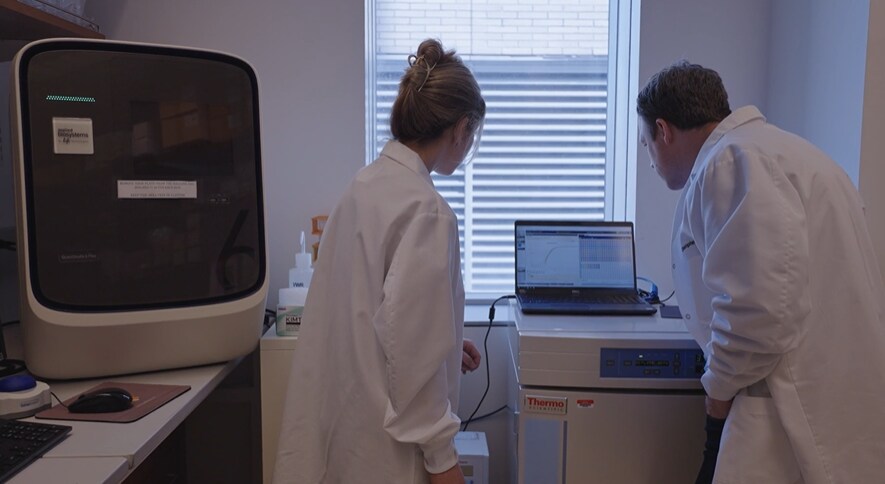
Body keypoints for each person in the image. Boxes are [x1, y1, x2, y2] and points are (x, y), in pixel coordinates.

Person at [637, 60, 885, 484]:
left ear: (663, 130)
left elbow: (761, 311)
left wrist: (717, 387)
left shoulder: (731, 160)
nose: (652, 160)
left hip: (781, 407)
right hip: (835, 401)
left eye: (646, 144)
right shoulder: (796, 154)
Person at [273, 39, 485, 484]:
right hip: (388, 453)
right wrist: (444, 462)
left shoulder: (362, 187)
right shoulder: (428, 211)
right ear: (461, 128)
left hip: (345, 438)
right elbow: (412, 356)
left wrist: (444, 343)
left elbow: (372, 317)